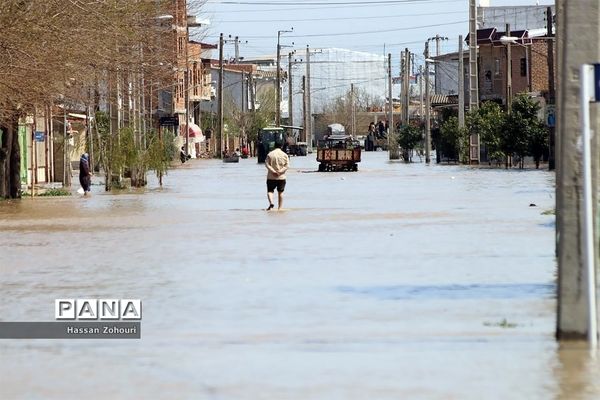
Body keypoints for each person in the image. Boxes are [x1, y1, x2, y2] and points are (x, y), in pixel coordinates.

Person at [265, 141, 289, 211]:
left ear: (274, 146)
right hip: (281, 177)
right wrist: (280, 172)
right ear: (281, 146)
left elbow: (267, 164)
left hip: (271, 177)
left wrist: (273, 171)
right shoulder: (284, 155)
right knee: (280, 192)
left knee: (270, 191)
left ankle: (271, 203)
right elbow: (287, 165)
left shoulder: (270, 154)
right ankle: (280, 208)